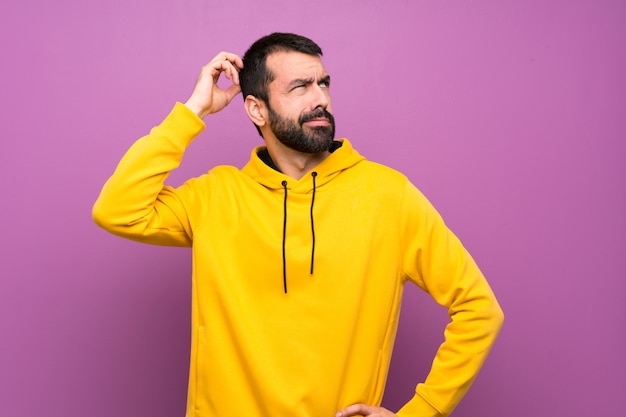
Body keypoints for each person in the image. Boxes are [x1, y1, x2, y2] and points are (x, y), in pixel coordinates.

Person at [93, 32, 503, 417]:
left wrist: (424, 410)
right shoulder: (214, 196)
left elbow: (479, 309)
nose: (320, 98)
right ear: (257, 108)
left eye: (323, 83)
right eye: (300, 87)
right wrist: (193, 112)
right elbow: (117, 209)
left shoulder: (388, 195)